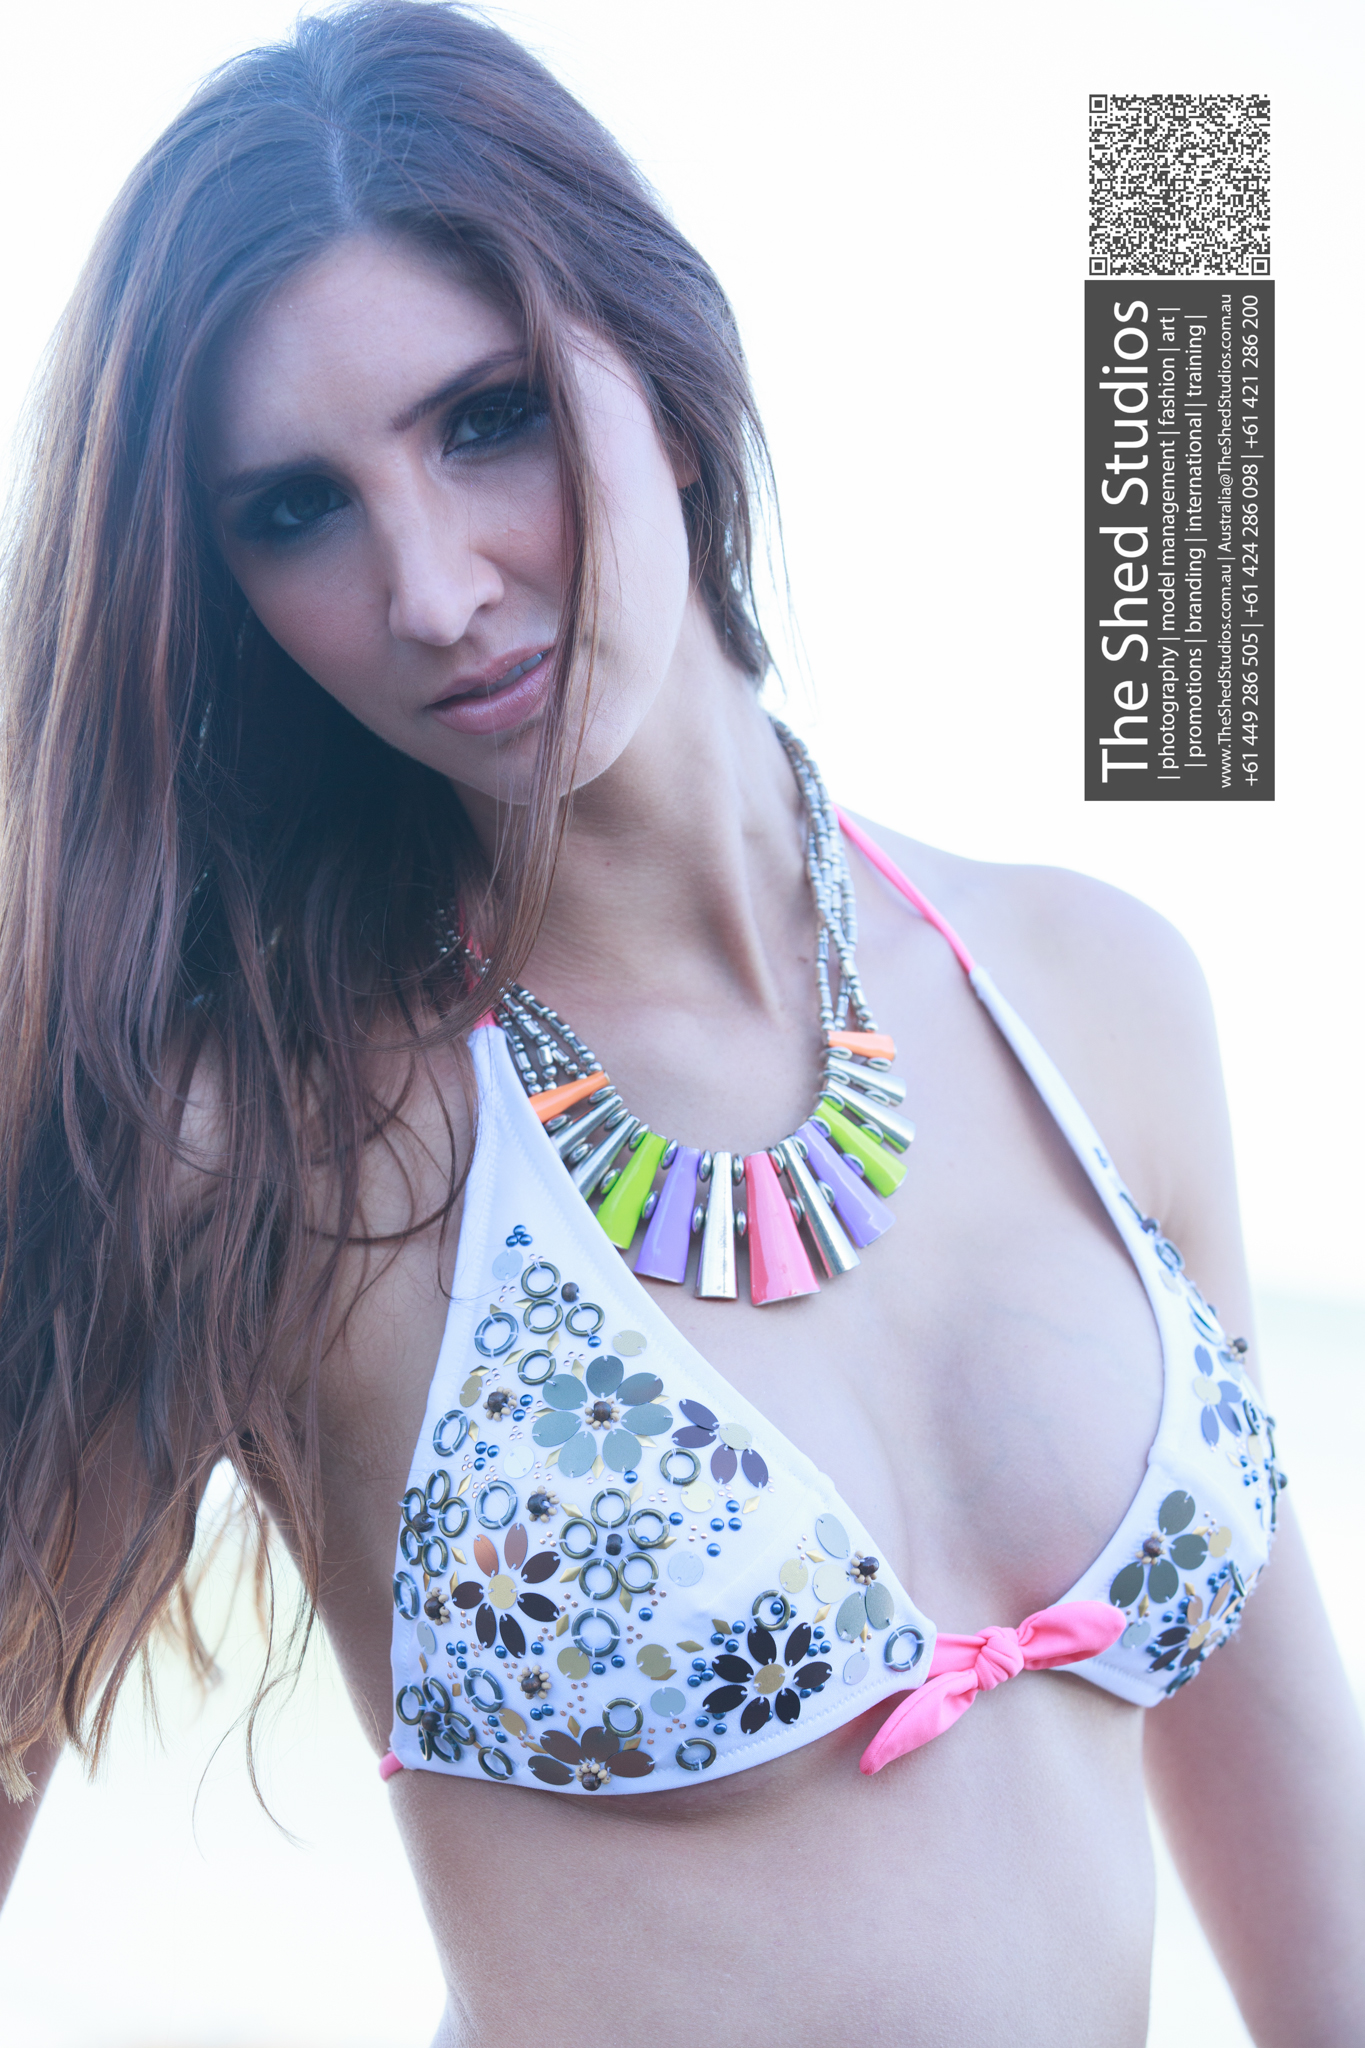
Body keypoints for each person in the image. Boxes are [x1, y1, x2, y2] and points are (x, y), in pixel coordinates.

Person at [0, 5, 1360, 2042]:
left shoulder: (1094, 992)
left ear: (666, 370)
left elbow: (1290, 1802)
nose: (432, 588)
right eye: (293, 510)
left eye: (486, 420)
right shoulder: (260, 1137)